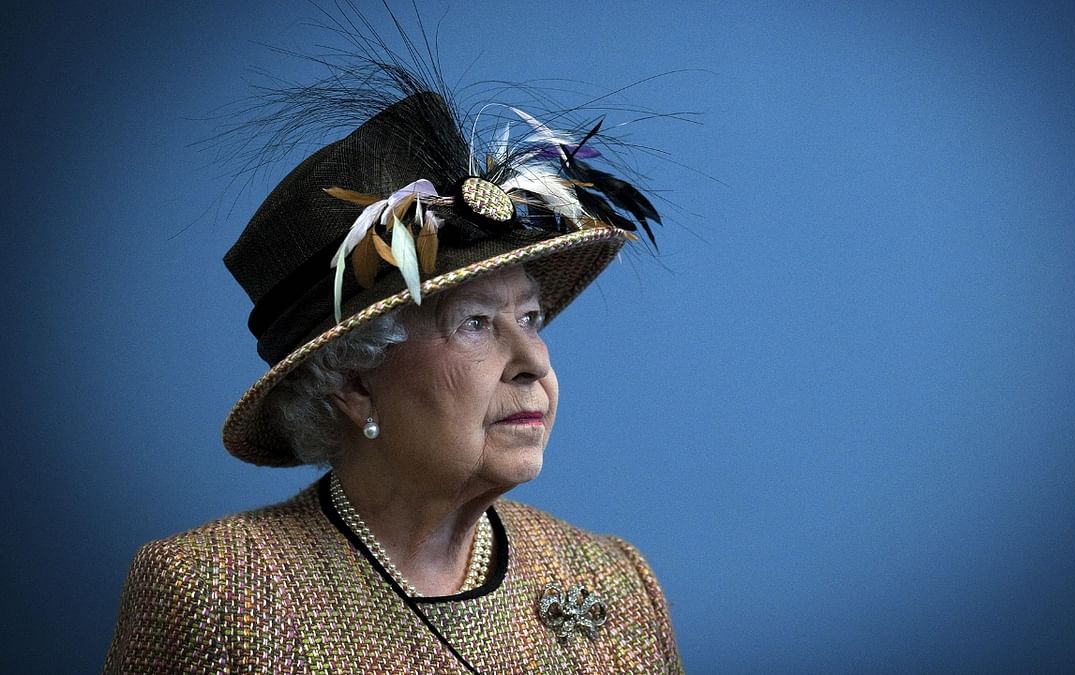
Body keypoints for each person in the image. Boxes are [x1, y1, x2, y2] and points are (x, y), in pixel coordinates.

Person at [103, 38, 681, 674]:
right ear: (354, 383)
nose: (533, 363)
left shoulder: (617, 585)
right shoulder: (213, 594)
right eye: (474, 324)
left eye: (530, 319)